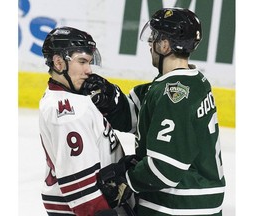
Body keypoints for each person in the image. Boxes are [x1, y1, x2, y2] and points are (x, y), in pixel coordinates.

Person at [80, 7, 226, 216]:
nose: (150, 44)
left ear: (165, 45)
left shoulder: (174, 95)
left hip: (179, 207)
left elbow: (164, 169)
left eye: (154, 38)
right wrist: (109, 97)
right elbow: (140, 118)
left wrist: (127, 180)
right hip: (195, 202)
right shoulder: (192, 82)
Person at [39, 26, 129, 216]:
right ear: (58, 62)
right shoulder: (67, 114)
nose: (89, 70)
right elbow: (79, 188)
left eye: (89, 62)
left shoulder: (73, 99)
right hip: (83, 209)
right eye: (82, 62)